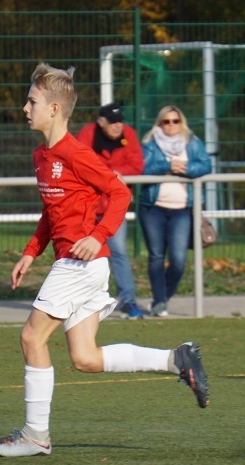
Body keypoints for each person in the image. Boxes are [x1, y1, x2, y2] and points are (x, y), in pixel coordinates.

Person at [0, 63, 210, 458]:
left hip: (79, 264)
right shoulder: (41, 155)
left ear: (55, 109)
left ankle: (35, 435)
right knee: (85, 358)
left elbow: (120, 194)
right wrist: (31, 252)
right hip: (82, 266)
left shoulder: (76, 153)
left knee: (32, 337)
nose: (25, 108)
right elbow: (51, 212)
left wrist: (98, 234)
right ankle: (176, 359)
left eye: (32, 101)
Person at [139, 105, 213, 317]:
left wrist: (187, 169)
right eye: (166, 121)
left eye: (175, 121)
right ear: (159, 123)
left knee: (178, 260)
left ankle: (161, 299)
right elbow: (141, 168)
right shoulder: (150, 144)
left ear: (182, 123)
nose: (171, 125)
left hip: (182, 210)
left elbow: (206, 165)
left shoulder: (192, 142)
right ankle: (159, 302)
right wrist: (168, 166)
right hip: (153, 208)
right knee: (156, 256)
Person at [76, 101, 146, 319]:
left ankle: (127, 300)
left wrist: (118, 172)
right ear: (101, 122)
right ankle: (78, 300)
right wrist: (108, 175)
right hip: (87, 207)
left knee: (119, 252)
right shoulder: (87, 135)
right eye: (112, 121)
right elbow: (79, 164)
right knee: (80, 253)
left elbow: (136, 165)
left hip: (113, 208)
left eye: (120, 121)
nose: (117, 126)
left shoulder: (129, 135)